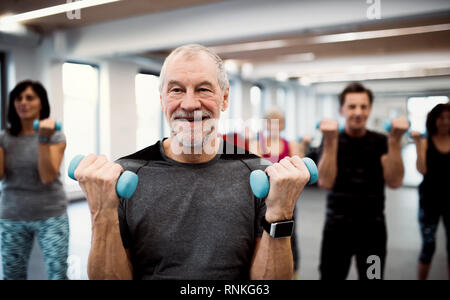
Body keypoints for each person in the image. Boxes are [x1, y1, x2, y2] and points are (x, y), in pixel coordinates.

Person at [73, 44, 311, 280]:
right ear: (162, 99)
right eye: (176, 90)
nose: (189, 104)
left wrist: (281, 212)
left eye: (203, 89)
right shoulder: (125, 176)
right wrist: (101, 212)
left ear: (224, 98)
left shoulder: (258, 175)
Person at [317, 82, 409, 280]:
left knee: (372, 278)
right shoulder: (330, 140)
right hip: (337, 230)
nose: (358, 112)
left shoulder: (382, 142)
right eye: (352, 106)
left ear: (370, 109)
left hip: (372, 232)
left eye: (363, 106)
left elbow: (395, 181)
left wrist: (395, 142)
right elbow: (325, 181)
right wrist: (331, 143)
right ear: (342, 109)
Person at [0, 80, 69, 280]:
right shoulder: (4, 138)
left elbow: (47, 176)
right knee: (12, 275)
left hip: (51, 215)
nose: (23, 102)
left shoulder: (55, 135)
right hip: (12, 215)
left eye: (29, 98)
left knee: (58, 274)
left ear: (41, 104)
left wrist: (43, 139)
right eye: (18, 98)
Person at [256, 107, 312, 279]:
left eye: (278, 122)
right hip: (262, 201)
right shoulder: (257, 144)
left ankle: (293, 273)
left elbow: (301, 170)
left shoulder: (291, 145)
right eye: (271, 122)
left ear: (283, 125)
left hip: (287, 199)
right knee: (260, 236)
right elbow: (254, 170)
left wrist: (305, 146)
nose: (274, 126)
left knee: (290, 236)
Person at [411, 103, 450, 280]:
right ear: (434, 120)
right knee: (429, 245)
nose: (445, 121)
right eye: (441, 117)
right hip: (430, 200)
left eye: (448, 118)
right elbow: (422, 169)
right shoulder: (426, 142)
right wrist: (418, 144)